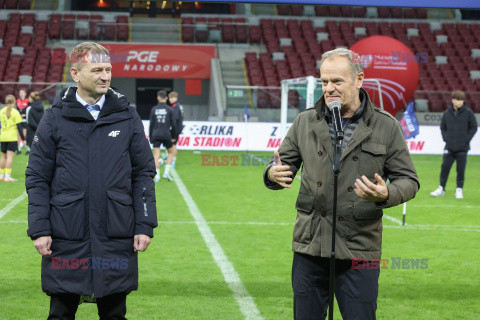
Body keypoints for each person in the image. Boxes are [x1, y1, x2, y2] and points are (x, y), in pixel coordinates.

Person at [263, 48, 420, 320]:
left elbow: (409, 180)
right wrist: (271, 174)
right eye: (324, 82)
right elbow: (280, 167)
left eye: (337, 81)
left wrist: (387, 193)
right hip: (310, 246)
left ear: (359, 80)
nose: (329, 88)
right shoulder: (305, 121)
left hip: (360, 248)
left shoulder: (386, 126)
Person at [26, 42, 158, 319]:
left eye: (108, 69)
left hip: (116, 232)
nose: (105, 76)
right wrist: (39, 229)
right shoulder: (53, 118)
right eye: (96, 69)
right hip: (65, 234)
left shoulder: (127, 115)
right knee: (60, 313)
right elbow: (37, 177)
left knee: (114, 314)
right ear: (76, 74)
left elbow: (143, 172)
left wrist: (145, 225)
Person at [430, 90, 477, 199]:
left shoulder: (468, 112)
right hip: (449, 147)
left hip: (463, 148)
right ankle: (441, 188)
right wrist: (446, 138)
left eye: (462, 100)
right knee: (444, 168)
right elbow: (442, 127)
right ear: (453, 100)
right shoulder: (447, 113)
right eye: (458, 100)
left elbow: (474, 127)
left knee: (460, 170)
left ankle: (459, 190)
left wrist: (466, 139)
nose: (460, 102)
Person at [149, 89, 177, 182]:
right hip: (166, 134)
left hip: (156, 134)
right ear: (166, 98)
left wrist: (151, 137)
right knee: (171, 152)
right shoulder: (170, 109)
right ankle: (166, 173)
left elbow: (151, 125)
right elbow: (173, 124)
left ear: (158, 98)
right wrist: (174, 136)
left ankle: (157, 176)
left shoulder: (154, 109)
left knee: (156, 154)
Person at [0, 94, 23, 182]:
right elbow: (19, 127)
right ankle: (7, 177)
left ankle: (1, 175)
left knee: (3, 156)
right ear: (14, 102)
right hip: (12, 136)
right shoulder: (15, 112)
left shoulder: (1, 111)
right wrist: (23, 139)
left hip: (3, 136)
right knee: (10, 157)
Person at [168, 91, 184, 167]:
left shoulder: (175, 106)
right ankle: (172, 160)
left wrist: (174, 133)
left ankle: (173, 161)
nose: (170, 99)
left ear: (176, 98)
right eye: (170, 98)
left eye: (172, 98)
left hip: (175, 128)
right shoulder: (178, 105)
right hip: (178, 127)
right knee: (173, 145)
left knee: (173, 145)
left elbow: (175, 119)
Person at [16, 88, 29, 154]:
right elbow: (17, 110)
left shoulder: (27, 101)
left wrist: (25, 115)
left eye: (22, 92)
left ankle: (27, 147)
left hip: (25, 120)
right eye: (20, 92)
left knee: (24, 134)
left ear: (25, 94)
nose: (21, 93)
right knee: (18, 134)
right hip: (18, 120)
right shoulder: (17, 101)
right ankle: (19, 149)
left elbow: (28, 110)